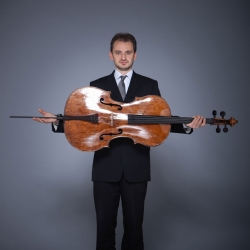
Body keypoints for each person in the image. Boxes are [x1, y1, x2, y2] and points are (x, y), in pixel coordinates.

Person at [33, 33, 205, 250]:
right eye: (118, 52)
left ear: (135, 55)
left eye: (128, 52)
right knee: (105, 230)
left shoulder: (149, 85)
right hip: (105, 166)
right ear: (110, 55)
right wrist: (57, 120)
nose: (123, 57)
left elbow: (159, 123)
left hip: (136, 168)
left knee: (135, 231)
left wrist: (187, 125)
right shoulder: (96, 86)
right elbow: (86, 124)